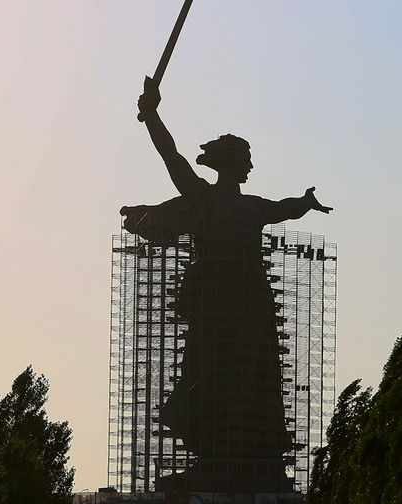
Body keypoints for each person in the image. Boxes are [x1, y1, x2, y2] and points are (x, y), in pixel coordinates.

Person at [121, 76, 332, 493]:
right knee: (210, 375)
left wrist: (306, 202)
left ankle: (253, 458)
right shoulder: (203, 198)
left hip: (250, 303)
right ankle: (216, 458)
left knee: (253, 376)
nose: (251, 167)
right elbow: (171, 156)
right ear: (230, 163)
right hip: (216, 303)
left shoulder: (251, 205)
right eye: (247, 160)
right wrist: (153, 115)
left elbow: (283, 208)